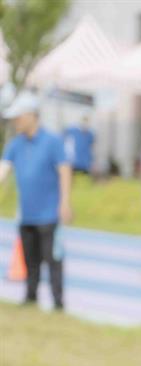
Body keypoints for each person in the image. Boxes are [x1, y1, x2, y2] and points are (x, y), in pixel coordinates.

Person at [0, 92, 73, 310]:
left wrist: (65, 202)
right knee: (30, 259)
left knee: (53, 259)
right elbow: (3, 171)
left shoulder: (52, 142)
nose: (15, 122)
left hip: (49, 213)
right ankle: (30, 297)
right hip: (27, 212)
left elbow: (64, 171)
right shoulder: (15, 145)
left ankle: (58, 303)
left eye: (18, 117)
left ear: (31, 116)